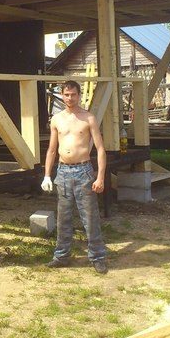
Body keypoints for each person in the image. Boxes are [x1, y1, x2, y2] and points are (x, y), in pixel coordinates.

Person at [41, 80, 108, 274]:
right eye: (66, 94)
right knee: (63, 217)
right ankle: (61, 256)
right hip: (63, 171)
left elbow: (100, 149)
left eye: (73, 95)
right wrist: (47, 175)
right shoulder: (57, 119)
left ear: (79, 95)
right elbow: (52, 149)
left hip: (83, 171)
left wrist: (100, 177)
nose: (70, 98)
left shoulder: (88, 118)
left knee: (90, 217)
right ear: (62, 95)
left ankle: (98, 257)